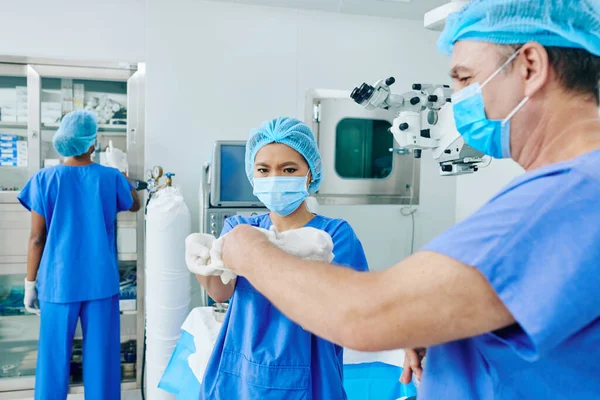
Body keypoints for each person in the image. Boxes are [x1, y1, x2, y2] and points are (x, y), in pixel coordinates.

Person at [218, 1, 600, 399]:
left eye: (465, 78)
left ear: (531, 66)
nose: (457, 99)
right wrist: (446, 331)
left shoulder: (565, 200)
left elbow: (363, 315)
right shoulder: (572, 192)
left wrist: (253, 252)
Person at [194, 117, 369, 399]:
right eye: (263, 170)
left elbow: (351, 309)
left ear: (309, 173)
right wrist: (203, 263)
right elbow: (219, 292)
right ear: (253, 174)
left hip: (312, 372)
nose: (274, 178)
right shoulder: (240, 228)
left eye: (288, 169)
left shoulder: (335, 234)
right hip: (241, 374)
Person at [18, 110, 140, 399]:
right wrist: (121, 168)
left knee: (52, 361)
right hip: (100, 283)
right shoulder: (109, 178)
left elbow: (37, 238)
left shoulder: (44, 179)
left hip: (58, 283)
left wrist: (29, 283)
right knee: (102, 361)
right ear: (92, 144)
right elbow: (134, 203)